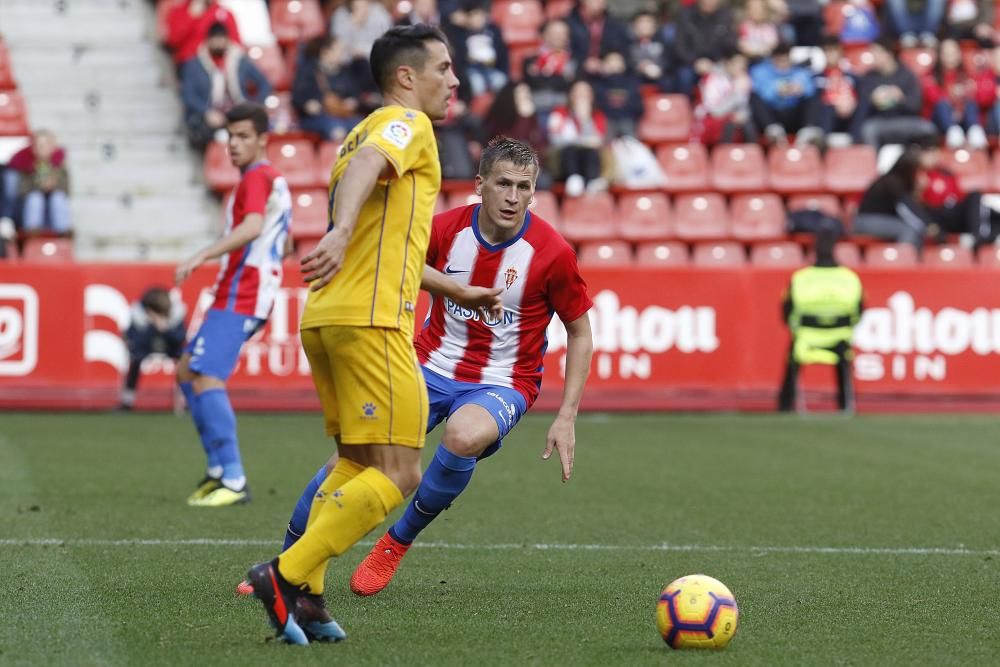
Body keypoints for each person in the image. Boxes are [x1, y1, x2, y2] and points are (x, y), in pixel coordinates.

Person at [240, 136, 594, 601]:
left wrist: (566, 415)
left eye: (524, 187)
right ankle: (286, 567)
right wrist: (454, 288)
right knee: (347, 461)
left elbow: (580, 331)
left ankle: (396, 541)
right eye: (503, 183)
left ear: (534, 192)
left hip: (504, 380)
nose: (513, 197)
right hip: (426, 363)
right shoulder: (445, 230)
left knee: (463, 436)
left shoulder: (552, 252)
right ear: (480, 184)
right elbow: (393, 262)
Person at [243, 25, 462, 646]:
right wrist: (337, 232)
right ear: (406, 77)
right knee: (401, 473)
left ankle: (307, 597)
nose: (453, 81)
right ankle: (283, 574)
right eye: (442, 68)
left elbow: (384, 237)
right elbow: (369, 175)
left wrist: (451, 288)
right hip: (371, 323)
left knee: (356, 462)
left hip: (328, 316)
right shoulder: (404, 125)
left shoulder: (355, 133)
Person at [174, 103, 293, 507]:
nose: (234, 144)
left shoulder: (257, 177)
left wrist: (202, 254)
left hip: (244, 292)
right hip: (240, 289)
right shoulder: (270, 179)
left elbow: (254, 227)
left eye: (243, 136)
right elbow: (283, 238)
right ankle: (217, 470)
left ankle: (235, 478)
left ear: (263, 139)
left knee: (207, 376)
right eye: (230, 136)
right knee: (187, 370)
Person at [777, 223, 863, 413]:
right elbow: (858, 312)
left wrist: (800, 330)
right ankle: (844, 404)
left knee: (793, 355)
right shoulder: (849, 278)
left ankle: (785, 405)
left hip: (806, 340)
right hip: (840, 340)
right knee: (842, 362)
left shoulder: (801, 277)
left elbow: (786, 311)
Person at [180, 22, 272, 150]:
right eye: (215, 39)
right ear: (208, 40)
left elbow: (264, 84)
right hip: (209, 114)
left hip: (238, 110)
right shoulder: (194, 64)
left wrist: (253, 106)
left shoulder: (239, 61)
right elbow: (188, 96)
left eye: (221, 39)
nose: (218, 43)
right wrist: (207, 112)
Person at [850, 39, 936, 148]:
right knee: (868, 130)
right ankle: (872, 163)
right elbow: (862, 109)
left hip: (905, 121)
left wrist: (901, 98)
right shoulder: (869, 78)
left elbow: (915, 106)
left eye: (877, 52)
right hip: (880, 122)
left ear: (888, 54)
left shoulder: (907, 75)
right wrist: (873, 100)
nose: (873, 57)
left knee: (927, 129)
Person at [119, 287, 187, 411]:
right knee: (135, 359)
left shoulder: (177, 313)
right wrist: (152, 326)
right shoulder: (138, 315)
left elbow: (180, 338)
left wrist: (166, 329)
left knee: (184, 360)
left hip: (171, 348)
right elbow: (136, 342)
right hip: (145, 348)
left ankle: (184, 402)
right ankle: (127, 402)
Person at [853, 146, 935, 248]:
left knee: (915, 229)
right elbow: (907, 209)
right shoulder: (891, 182)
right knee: (909, 230)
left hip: (886, 220)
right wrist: (929, 226)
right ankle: (904, 261)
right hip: (866, 221)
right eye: (919, 171)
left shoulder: (902, 183)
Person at [921, 38, 993, 149]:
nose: (950, 57)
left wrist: (967, 96)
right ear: (939, 55)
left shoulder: (968, 74)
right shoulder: (931, 76)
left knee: (971, 103)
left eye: (953, 53)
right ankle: (953, 132)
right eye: (946, 54)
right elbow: (933, 98)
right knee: (943, 105)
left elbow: (982, 98)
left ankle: (975, 130)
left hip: (964, 117)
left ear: (959, 54)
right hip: (941, 120)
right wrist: (954, 99)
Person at [291, 37, 364, 142]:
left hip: (342, 114)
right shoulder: (309, 70)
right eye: (338, 50)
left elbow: (354, 92)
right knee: (337, 130)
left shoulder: (344, 70)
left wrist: (352, 100)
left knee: (363, 129)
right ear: (325, 52)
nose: (341, 54)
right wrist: (306, 104)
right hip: (318, 117)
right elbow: (297, 96)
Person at [749, 42, 822, 145]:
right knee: (754, 97)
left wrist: (801, 90)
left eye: (785, 60)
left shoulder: (799, 72)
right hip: (773, 114)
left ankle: (807, 130)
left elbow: (810, 90)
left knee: (814, 97)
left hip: (793, 115)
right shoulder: (760, 71)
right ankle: (772, 130)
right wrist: (776, 90)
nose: (782, 64)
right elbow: (760, 92)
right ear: (773, 59)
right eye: (779, 61)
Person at [547, 79, 609, 196]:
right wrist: (581, 141)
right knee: (570, 150)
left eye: (585, 93)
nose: (581, 97)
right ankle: (574, 179)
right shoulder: (559, 112)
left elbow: (598, 141)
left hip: (588, 159)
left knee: (591, 152)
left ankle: (592, 182)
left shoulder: (597, 115)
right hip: (564, 159)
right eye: (578, 92)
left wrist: (585, 120)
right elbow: (555, 139)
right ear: (570, 94)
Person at [4, 130, 71, 235]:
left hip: (52, 203)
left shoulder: (59, 166)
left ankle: (63, 232)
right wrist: (39, 186)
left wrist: (53, 186)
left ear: (53, 147)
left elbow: (66, 189)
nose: (43, 148)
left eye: (46, 145)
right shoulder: (27, 166)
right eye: (40, 145)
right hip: (31, 203)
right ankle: (33, 231)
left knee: (58, 198)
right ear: (34, 148)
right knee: (35, 198)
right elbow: (22, 190)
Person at [694, 50, 757, 144]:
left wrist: (741, 114)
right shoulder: (712, 78)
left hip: (731, 118)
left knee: (747, 124)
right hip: (709, 119)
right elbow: (714, 110)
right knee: (729, 124)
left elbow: (744, 107)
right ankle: (724, 155)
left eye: (743, 64)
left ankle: (751, 155)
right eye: (737, 63)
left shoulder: (743, 80)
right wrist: (737, 94)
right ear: (728, 63)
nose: (740, 67)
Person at [164, 0, 242, 66]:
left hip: (219, 66)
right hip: (190, 66)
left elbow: (236, 45)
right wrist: (191, 16)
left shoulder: (224, 14)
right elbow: (173, 40)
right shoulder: (181, 11)